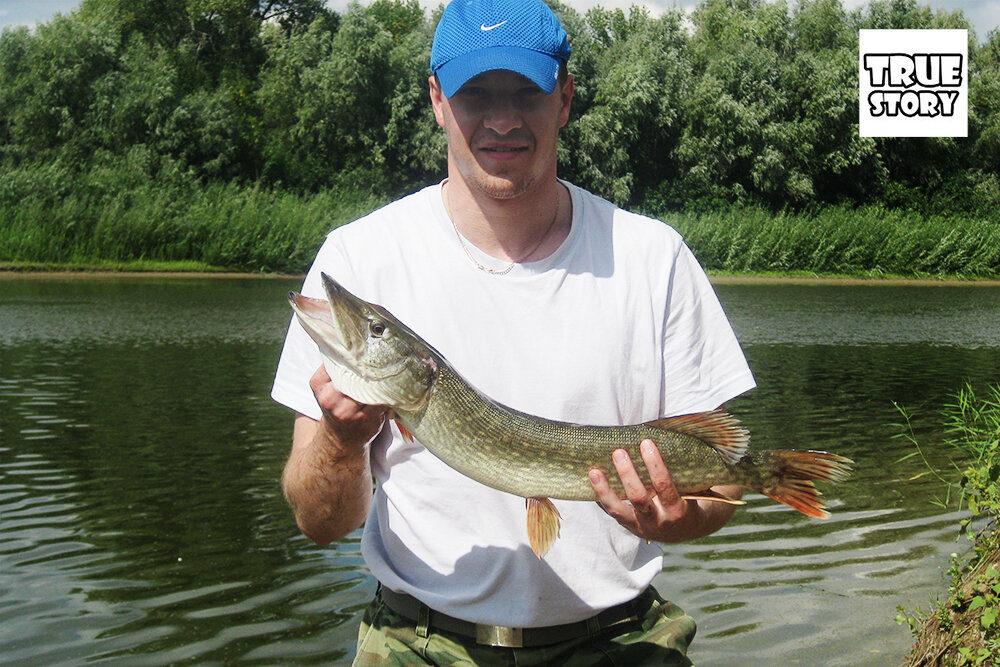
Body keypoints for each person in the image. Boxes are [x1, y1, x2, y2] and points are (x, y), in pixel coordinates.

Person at [272, 0, 756, 664]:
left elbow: (723, 482)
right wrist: (339, 439)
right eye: (477, 95)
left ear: (564, 98)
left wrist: (684, 517)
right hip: (417, 643)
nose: (502, 119)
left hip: (618, 641)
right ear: (438, 100)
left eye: (524, 92)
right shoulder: (361, 258)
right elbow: (318, 521)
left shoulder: (653, 257)